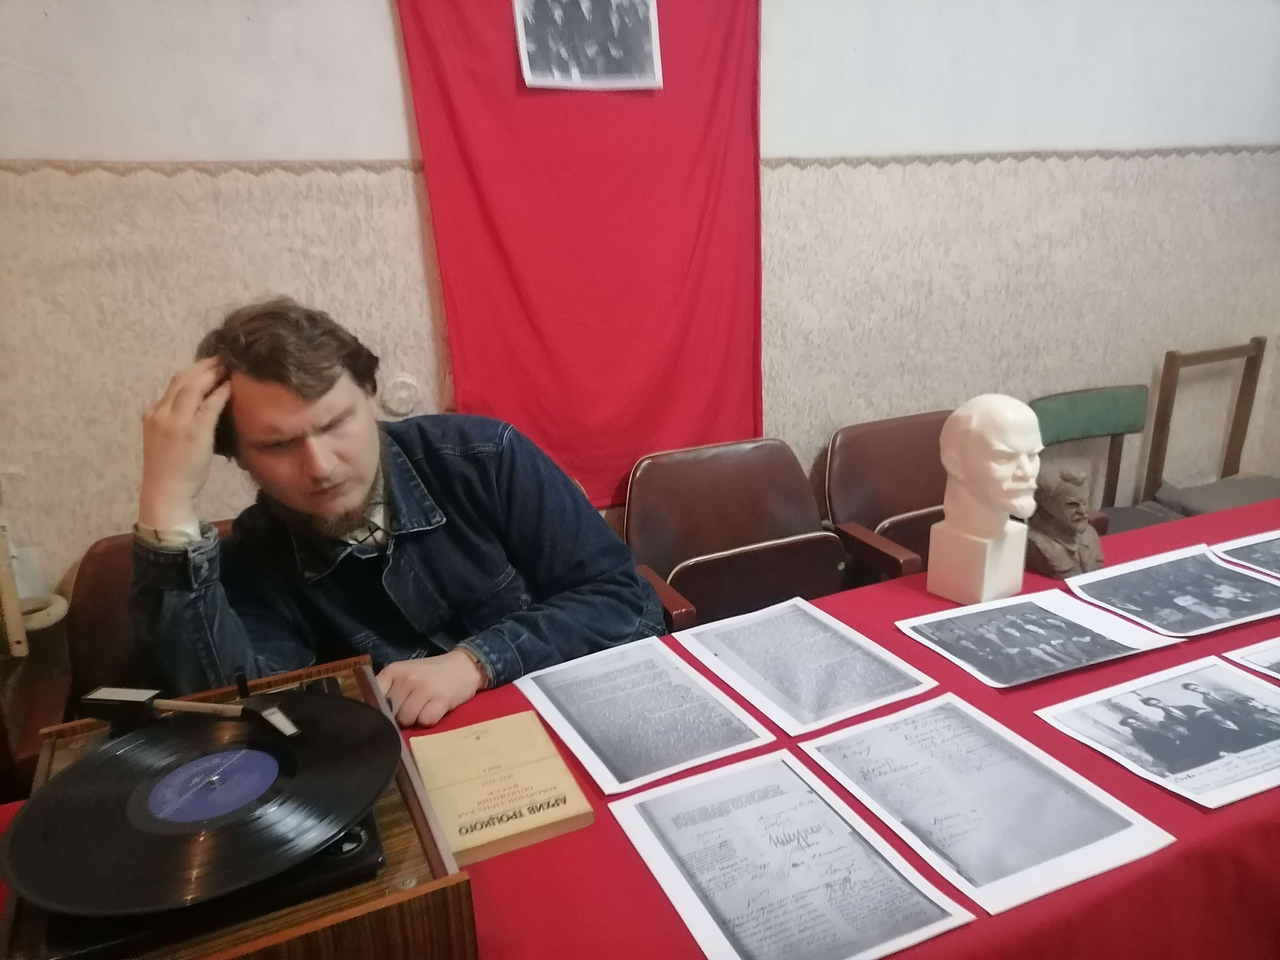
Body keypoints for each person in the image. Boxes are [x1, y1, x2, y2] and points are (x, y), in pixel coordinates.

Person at [130, 298, 665, 726]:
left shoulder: (484, 458)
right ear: (239, 457)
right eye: (277, 445)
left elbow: (623, 599)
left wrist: (476, 662)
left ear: (370, 398)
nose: (320, 466)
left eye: (336, 423)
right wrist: (167, 504)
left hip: (568, 725)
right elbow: (247, 719)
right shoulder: (253, 559)